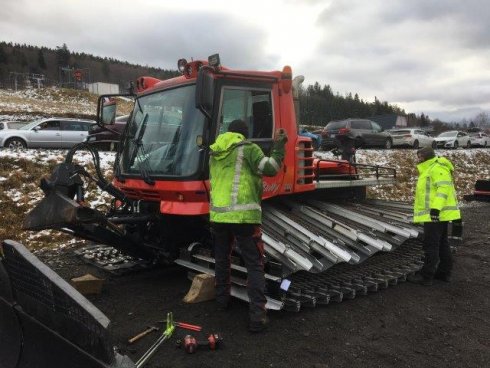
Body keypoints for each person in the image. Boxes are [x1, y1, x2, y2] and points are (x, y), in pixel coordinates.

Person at [209, 119, 287, 332]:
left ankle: (222, 301)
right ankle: (257, 317)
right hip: (244, 218)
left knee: (222, 259)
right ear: (244, 134)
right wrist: (279, 147)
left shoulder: (214, 151)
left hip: (218, 217)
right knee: (254, 265)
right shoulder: (249, 149)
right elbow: (270, 168)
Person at [408, 146, 461, 286]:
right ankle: (444, 273)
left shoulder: (436, 168)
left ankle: (426, 276)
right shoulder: (430, 168)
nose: (418, 159)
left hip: (435, 215)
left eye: (419, 156)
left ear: (425, 156)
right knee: (442, 243)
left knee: (431, 245)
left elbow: (443, 189)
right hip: (438, 214)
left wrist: (435, 209)